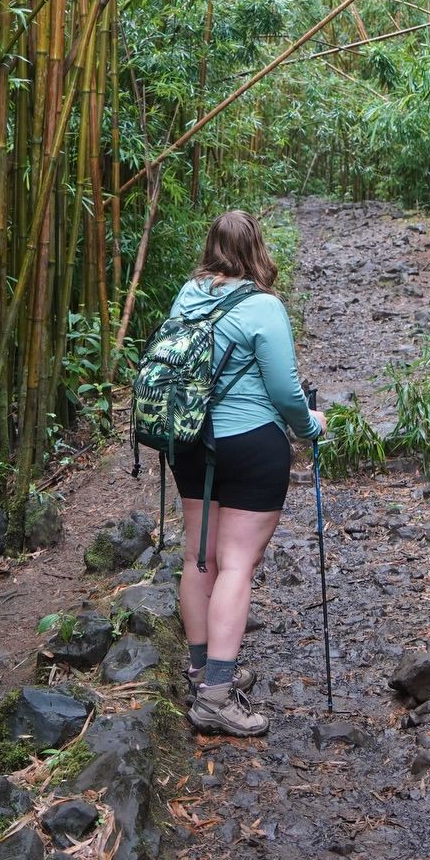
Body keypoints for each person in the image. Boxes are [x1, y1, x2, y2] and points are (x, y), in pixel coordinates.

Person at [166, 209, 325, 737]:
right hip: (250, 445)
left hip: (189, 442)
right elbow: (284, 391)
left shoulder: (187, 296)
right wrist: (310, 425)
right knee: (236, 564)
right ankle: (216, 695)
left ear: (210, 246)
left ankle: (201, 672)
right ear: (257, 247)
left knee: (198, 556)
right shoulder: (262, 306)